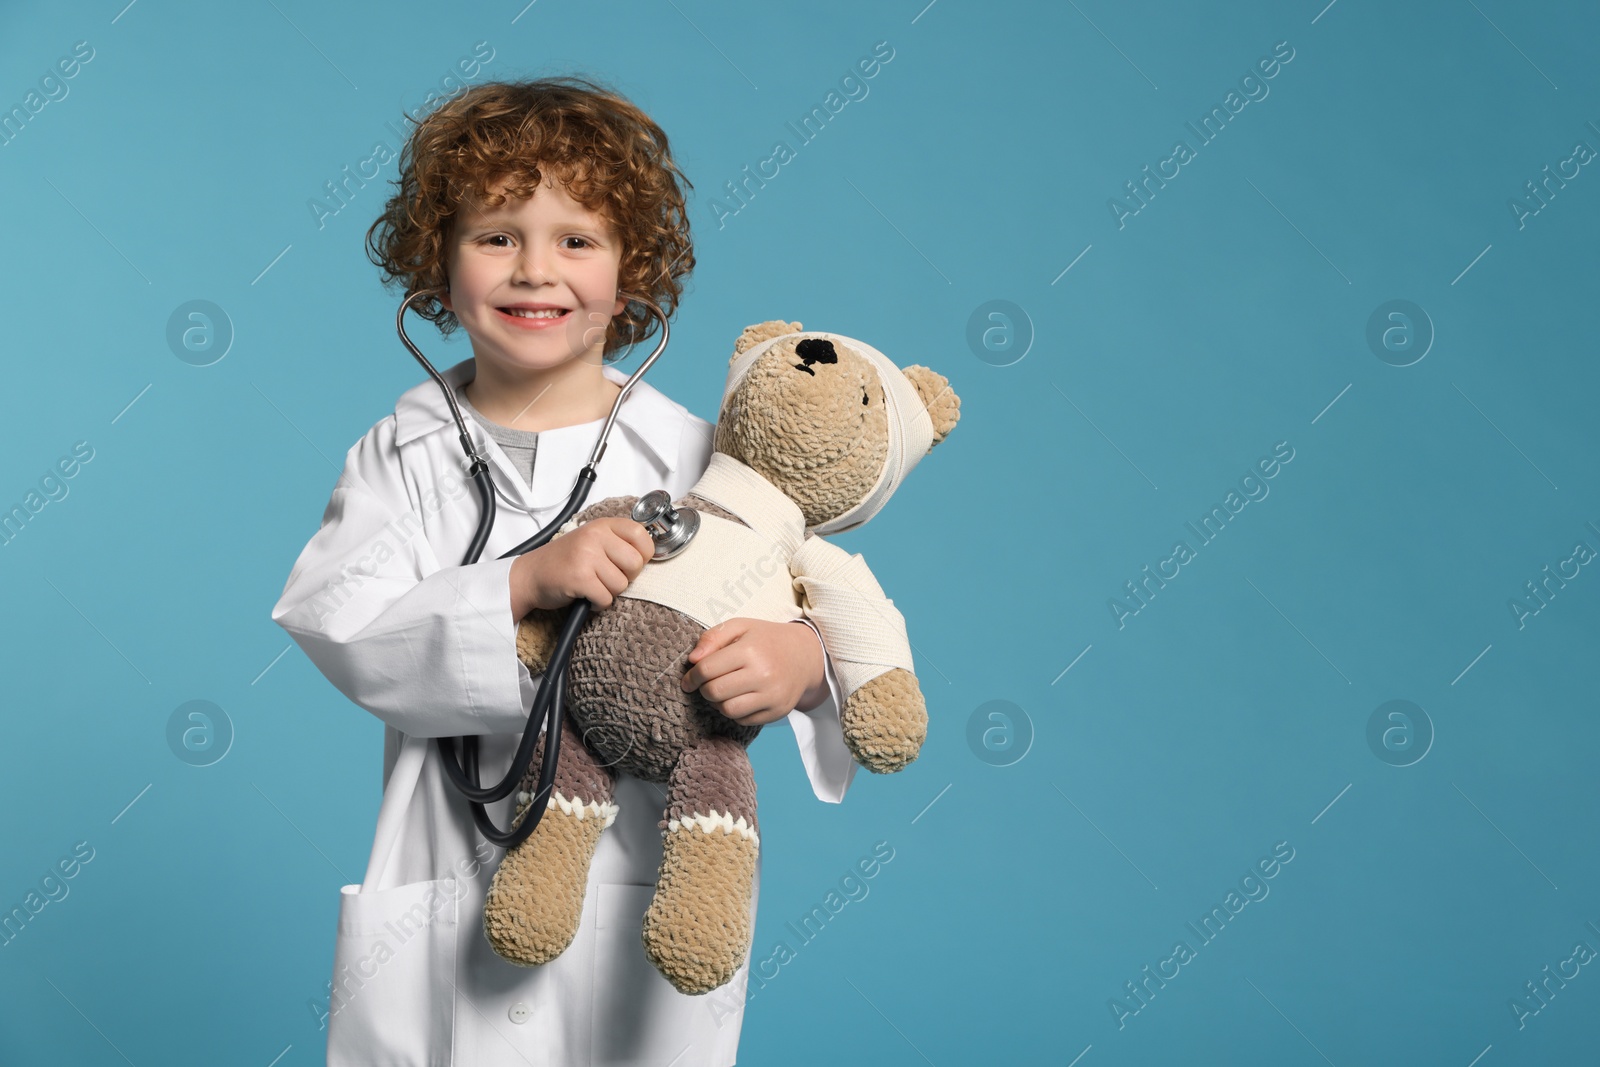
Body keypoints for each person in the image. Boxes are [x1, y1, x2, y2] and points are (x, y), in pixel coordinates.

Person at [270, 76, 859, 1066]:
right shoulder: (401, 454)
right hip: (442, 878)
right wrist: (522, 584)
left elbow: (829, 614)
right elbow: (337, 622)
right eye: (496, 235)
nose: (535, 268)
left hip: (643, 872)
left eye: (575, 239)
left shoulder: (701, 457)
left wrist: (800, 662)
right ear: (437, 265)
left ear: (632, 274)